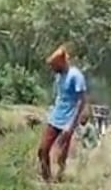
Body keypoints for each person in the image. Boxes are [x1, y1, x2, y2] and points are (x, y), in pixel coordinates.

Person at [37, 44, 87, 182]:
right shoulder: (59, 76)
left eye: (54, 66)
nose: (52, 69)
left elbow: (81, 101)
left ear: (61, 62)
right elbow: (60, 96)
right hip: (55, 117)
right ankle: (46, 178)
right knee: (42, 149)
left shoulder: (76, 76)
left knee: (61, 154)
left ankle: (60, 178)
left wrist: (71, 124)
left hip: (68, 119)